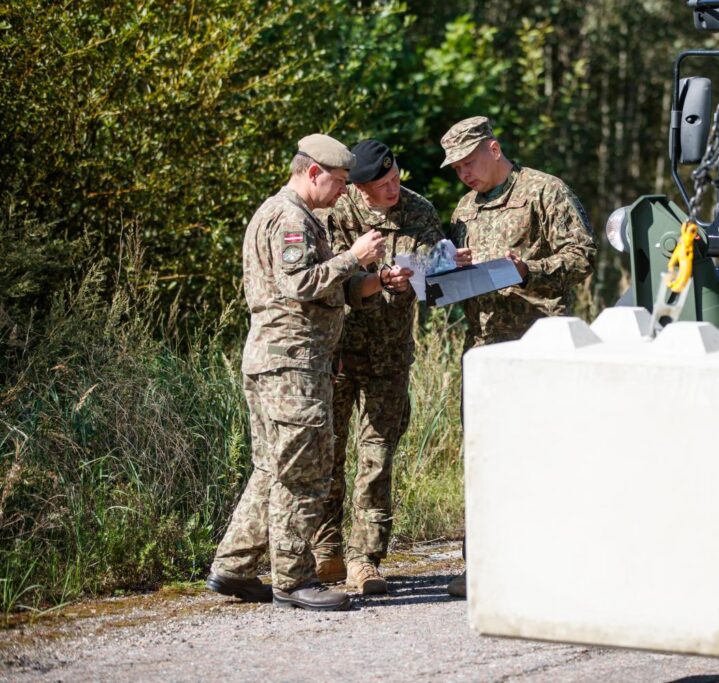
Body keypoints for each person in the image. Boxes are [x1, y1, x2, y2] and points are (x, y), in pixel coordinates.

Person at [205, 134, 405, 611]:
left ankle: (233, 566)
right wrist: (354, 257)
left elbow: (321, 289)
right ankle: (293, 580)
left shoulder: (284, 213)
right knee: (303, 472)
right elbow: (299, 285)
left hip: (279, 361)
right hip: (292, 364)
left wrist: (371, 282)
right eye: (337, 182)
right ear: (312, 173)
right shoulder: (292, 218)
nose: (342, 192)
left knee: (271, 467)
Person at [439, 116, 596, 597]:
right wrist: (450, 267)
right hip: (482, 351)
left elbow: (583, 255)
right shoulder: (464, 209)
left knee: (543, 453)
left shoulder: (544, 191)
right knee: (484, 458)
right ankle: (484, 565)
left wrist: (528, 270)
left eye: (469, 163)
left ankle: (550, 560)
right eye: (457, 168)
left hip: (536, 347)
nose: (464, 174)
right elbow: (447, 272)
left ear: (493, 148)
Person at [310, 140, 443, 594]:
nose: (393, 188)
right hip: (340, 352)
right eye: (380, 185)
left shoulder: (419, 210)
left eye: (395, 177)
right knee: (330, 451)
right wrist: (371, 275)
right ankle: (324, 550)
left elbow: (435, 271)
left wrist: (425, 273)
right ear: (359, 188)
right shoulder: (335, 209)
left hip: (390, 353)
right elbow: (321, 275)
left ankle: (364, 558)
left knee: (378, 455)